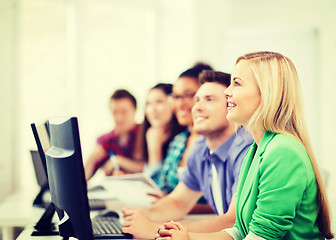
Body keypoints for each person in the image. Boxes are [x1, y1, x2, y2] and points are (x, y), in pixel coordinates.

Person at [156, 51, 334, 240]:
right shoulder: (255, 150)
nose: (227, 92)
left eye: (237, 83)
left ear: (266, 93)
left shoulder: (283, 151)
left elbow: (261, 237)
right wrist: (187, 237)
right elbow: (240, 231)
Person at [121, 70, 254, 239]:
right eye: (197, 99)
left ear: (231, 104)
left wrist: (155, 229)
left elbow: (234, 221)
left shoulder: (246, 147)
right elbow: (178, 202)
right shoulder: (201, 147)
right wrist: (142, 215)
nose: (196, 107)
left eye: (209, 99)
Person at [153, 62, 213, 194]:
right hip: (171, 213)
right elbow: (161, 187)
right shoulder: (178, 141)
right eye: (175, 97)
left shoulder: (215, 143)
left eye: (187, 95)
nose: (179, 104)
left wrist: (169, 203)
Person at [84, 89, 139, 181]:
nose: (119, 118)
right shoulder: (104, 141)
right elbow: (83, 179)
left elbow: (150, 167)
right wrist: (92, 158)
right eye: (115, 112)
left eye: (124, 112)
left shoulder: (145, 135)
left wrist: (119, 161)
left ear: (134, 111)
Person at [137, 83, 186, 177]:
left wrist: (154, 148)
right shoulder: (153, 133)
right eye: (148, 104)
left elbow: (156, 185)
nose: (153, 109)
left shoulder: (183, 139)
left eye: (159, 102)